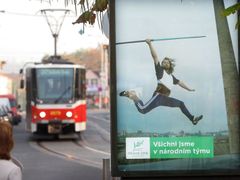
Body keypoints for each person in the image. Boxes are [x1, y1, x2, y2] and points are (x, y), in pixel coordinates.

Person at [120, 39, 203, 125]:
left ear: (170, 65)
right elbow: (155, 57)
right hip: (158, 96)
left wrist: (189, 89)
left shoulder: (171, 77)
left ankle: (192, 118)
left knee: (181, 104)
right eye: (163, 62)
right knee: (143, 110)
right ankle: (133, 95)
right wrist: (149, 44)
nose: (164, 63)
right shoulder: (160, 71)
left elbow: (180, 82)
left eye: (166, 62)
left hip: (164, 99)